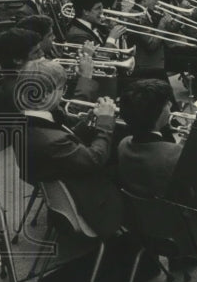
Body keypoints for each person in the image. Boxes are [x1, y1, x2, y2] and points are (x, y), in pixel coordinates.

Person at [116, 79, 197, 272]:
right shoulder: (174, 156)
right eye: (166, 103)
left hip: (149, 228)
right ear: (159, 114)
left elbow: (162, 164)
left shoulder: (124, 144)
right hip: (189, 235)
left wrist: (185, 145)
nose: (170, 105)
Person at [12, 59, 122, 235]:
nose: (64, 94)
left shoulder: (26, 120)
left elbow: (66, 135)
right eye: (62, 89)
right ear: (46, 94)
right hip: (91, 203)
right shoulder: (51, 140)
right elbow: (95, 159)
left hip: (56, 176)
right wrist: (105, 123)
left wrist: (89, 120)